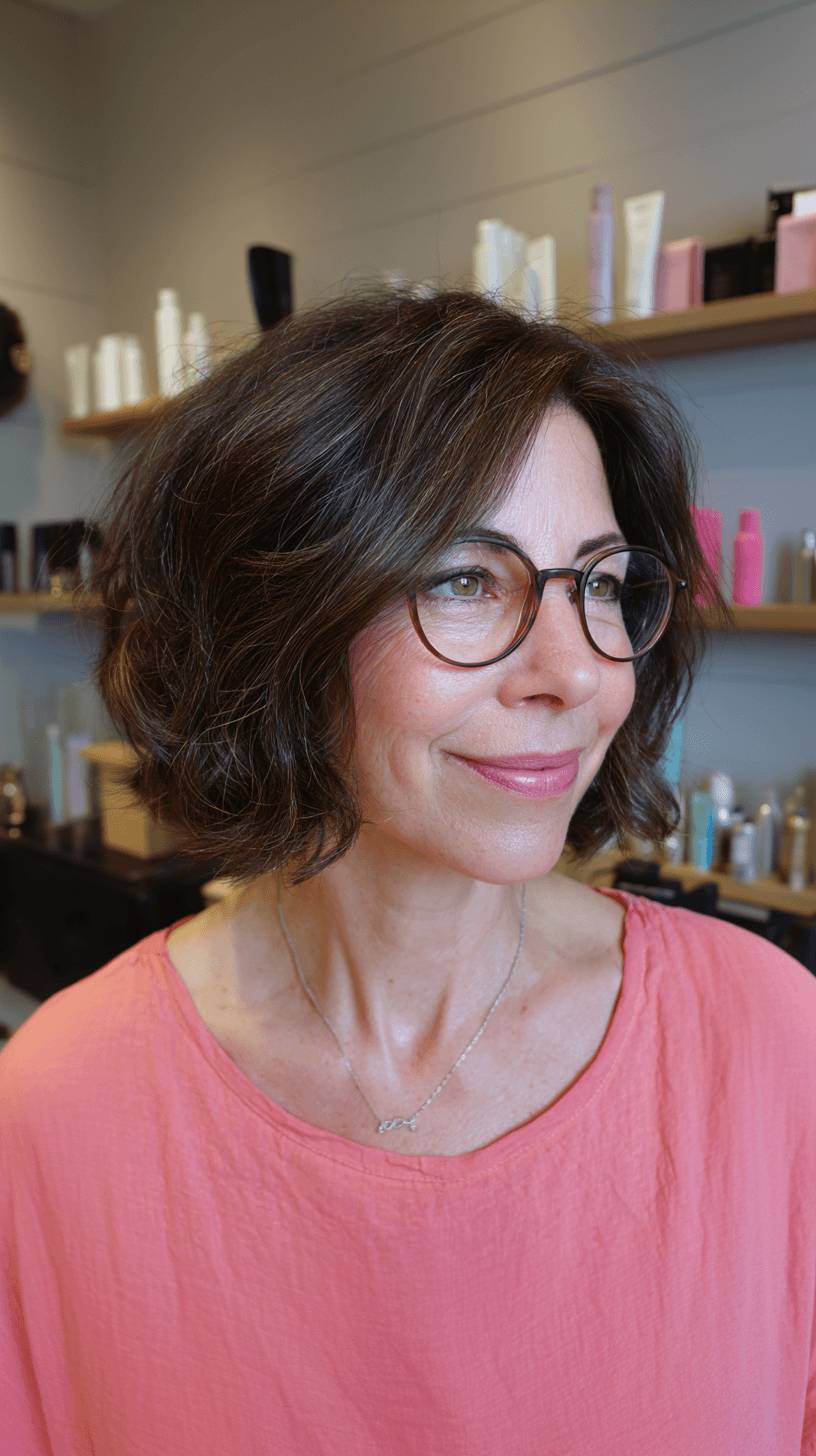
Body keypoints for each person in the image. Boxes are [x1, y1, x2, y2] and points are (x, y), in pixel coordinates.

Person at [2, 288, 815, 1454]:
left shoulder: (772, 1048)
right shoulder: (57, 1110)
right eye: (464, 578)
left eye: (598, 583)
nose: (574, 672)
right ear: (275, 623)